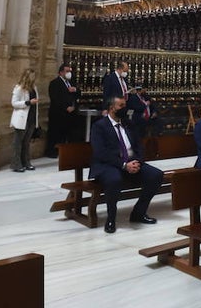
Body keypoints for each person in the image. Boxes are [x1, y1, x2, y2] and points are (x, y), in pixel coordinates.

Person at [89, 95, 163, 233]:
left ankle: (139, 213)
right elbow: (101, 153)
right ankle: (111, 218)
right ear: (112, 108)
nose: (125, 108)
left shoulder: (129, 124)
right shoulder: (99, 126)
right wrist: (124, 165)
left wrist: (137, 162)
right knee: (114, 179)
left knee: (156, 175)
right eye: (121, 106)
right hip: (109, 164)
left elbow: (139, 146)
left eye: (125, 105)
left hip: (131, 162)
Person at [47, 62, 79, 157]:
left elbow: (78, 93)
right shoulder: (55, 83)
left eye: (70, 71)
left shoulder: (71, 83)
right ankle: (53, 152)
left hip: (71, 113)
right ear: (61, 72)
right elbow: (55, 98)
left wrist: (75, 91)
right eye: (67, 71)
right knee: (56, 134)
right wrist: (65, 107)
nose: (69, 73)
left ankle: (66, 151)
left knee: (68, 134)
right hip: (59, 113)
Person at [10, 68, 39, 172]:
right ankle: (16, 164)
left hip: (31, 117)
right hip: (22, 118)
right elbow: (14, 103)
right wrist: (27, 102)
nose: (33, 78)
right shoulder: (19, 88)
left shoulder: (34, 88)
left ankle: (26, 162)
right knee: (18, 143)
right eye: (31, 76)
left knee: (26, 142)